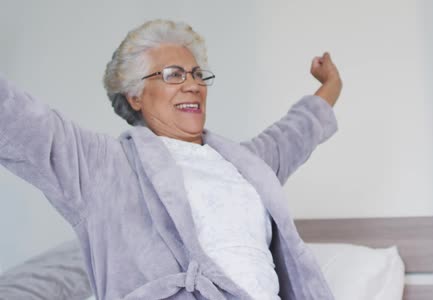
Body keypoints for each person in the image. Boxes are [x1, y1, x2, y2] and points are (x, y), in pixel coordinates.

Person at [0, 19, 342, 300]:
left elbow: (297, 131)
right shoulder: (102, 165)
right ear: (135, 95)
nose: (192, 85)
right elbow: (24, 123)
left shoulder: (247, 163)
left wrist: (331, 86)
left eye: (197, 75)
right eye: (173, 75)